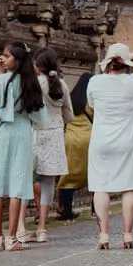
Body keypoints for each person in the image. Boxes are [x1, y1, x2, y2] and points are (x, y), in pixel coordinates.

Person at [0, 41, 47, 251]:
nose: (3, 59)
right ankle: (12, 238)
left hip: (3, 131)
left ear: (15, 58)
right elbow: (40, 117)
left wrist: (0, 111)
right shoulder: (31, 82)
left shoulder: (2, 80)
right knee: (18, 185)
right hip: (23, 130)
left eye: (6, 56)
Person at [87, 43, 133, 250]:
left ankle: (104, 235)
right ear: (126, 64)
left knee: (101, 186)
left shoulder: (95, 82)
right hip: (127, 140)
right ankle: (127, 234)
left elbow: (91, 105)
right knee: (128, 187)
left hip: (101, 141)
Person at [28, 47, 73, 243]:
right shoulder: (61, 84)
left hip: (35, 133)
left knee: (27, 179)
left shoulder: (34, 83)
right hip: (55, 135)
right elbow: (69, 115)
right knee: (48, 184)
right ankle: (42, 228)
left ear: (37, 65)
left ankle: (21, 225)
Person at [57, 72, 93, 225]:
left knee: (68, 177)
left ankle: (68, 215)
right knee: (94, 175)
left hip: (70, 139)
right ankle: (95, 210)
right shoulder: (90, 100)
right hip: (89, 139)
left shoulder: (70, 96)